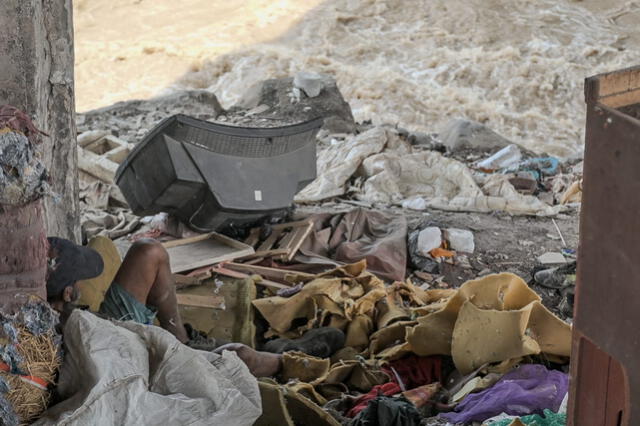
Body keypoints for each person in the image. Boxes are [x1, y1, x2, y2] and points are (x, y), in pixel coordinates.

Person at [46, 236, 284, 376]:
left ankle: (179, 336)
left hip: (111, 325)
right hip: (126, 356)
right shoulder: (67, 336)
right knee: (242, 356)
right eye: (79, 281)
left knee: (148, 251)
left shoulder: (52, 306)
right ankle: (292, 364)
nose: (83, 283)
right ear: (68, 293)